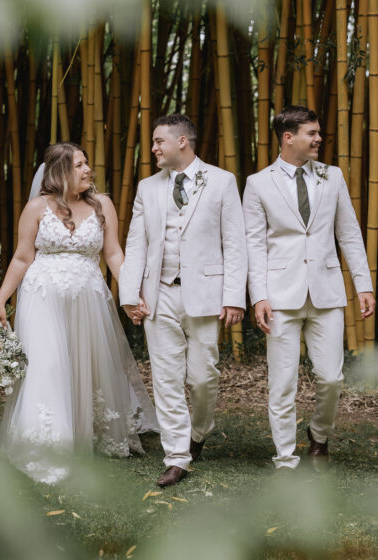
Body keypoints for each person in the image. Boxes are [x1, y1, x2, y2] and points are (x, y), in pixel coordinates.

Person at [0, 143, 157, 484]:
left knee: (87, 364)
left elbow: (113, 255)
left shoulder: (102, 205)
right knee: (47, 364)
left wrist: (130, 294)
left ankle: (86, 433)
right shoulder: (37, 208)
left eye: (86, 163)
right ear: (59, 171)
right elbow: (23, 257)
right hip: (42, 297)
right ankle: (48, 444)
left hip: (88, 298)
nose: (87, 170)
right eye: (79, 165)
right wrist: (0, 300)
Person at [242, 105, 375, 473]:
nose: (319, 139)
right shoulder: (258, 183)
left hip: (327, 291)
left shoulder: (332, 177)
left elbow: (348, 231)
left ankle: (319, 434)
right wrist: (259, 295)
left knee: (331, 377)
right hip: (280, 295)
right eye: (312, 133)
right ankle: (285, 457)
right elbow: (253, 244)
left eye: (318, 133)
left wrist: (362, 283)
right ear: (288, 137)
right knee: (282, 382)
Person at [119, 114, 247, 488]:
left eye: (159, 141)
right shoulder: (148, 188)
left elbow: (235, 243)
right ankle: (177, 456)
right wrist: (130, 295)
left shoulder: (222, 182)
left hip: (206, 296)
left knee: (204, 377)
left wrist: (234, 297)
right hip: (159, 294)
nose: (154, 148)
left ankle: (200, 430)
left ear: (182, 143)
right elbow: (136, 243)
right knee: (166, 379)